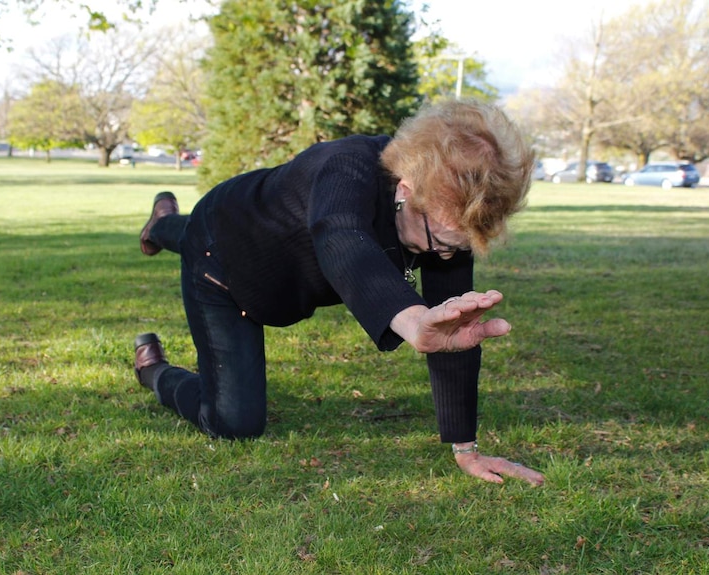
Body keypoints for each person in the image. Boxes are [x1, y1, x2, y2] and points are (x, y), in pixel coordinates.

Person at [133, 99, 545, 486]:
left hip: (277, 269)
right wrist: (413, 319)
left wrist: (466, 448)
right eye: (439, 240)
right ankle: (153, 372)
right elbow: (340, 237)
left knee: (182, 232)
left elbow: (453, 335)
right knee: (233, 423)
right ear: (405, 190)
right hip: (223, 255)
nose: (443, 254)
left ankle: (161, 223)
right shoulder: (346, 167)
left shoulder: (446, 224)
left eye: (458, 247)